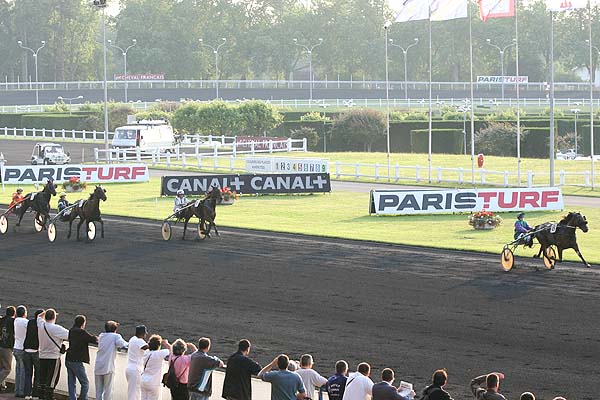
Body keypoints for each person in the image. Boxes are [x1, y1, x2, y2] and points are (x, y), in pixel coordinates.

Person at [37, 309, 69, 400]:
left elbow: (39, 316)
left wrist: (45, 312)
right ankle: (49, 397)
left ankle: (41, 396)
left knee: (42, 378)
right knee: (52, 380)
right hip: (53, 357)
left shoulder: (41, 325)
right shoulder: (57, 328)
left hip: (42, 355)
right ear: (54, 317)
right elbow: (70, 335)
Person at [65, 315, 98, 400]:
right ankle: (83, 398)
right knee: (85, 383)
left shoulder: (71, 330)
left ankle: (72, 398)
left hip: (68, 359)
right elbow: (93, 339)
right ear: (83, 323)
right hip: (77, 361)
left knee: (71, 382)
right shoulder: (81, 332)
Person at [94, 321, 128, 400]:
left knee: (98, 391)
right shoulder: (116, 336)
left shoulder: (101, 336)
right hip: (108, 367)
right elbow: (123, 344)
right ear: (115, 329)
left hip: (98, 366)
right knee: (108, 390)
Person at [140, 334, 172, 400]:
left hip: (143, 381)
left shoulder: (146, 352)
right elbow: (172, 350)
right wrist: (166, 343)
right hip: (154, 383)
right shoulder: (159, 354)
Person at [23, 309, 44, 399]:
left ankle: (27, 394)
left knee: (28, 373)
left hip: (26, 350)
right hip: (36, 351)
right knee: (38, 374)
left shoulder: (30, 322)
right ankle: (35, 394)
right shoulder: (41, 325)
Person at [125, 325, 149, 400]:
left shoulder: (132, 339)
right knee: (134, 393)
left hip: (130, 368)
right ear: (142, 333)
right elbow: (148, 347)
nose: (145, 335)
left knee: (134, 392)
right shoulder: (139, 341)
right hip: (135, 370)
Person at [13, 305, 29, 398]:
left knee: (18, 370)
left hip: (15, 347)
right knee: (23, 371)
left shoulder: (16, 321)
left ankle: (16, 390)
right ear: (24, 313)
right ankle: (21, 392)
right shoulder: (25, 322)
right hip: (22, 348)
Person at [0, 306, 16, 393]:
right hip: (7, 348)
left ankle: (2, 385)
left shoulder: (2, 320)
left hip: (1, 345)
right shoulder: (13, 321)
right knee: (6, 369)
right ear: (14, 313)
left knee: (1, 367)